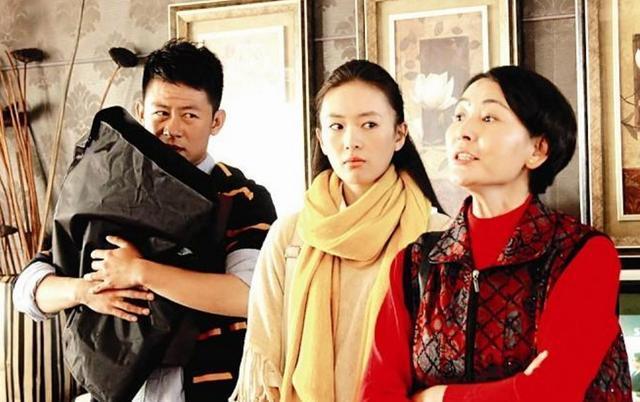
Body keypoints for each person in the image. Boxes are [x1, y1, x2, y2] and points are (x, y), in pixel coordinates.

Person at [13, 39, 277, 402]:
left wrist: (139, 271)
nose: (172, 128)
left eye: (189, 115)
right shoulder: (112, 186)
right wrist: (84, 291)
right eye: (161, 112)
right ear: (140, 111)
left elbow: (247, 296)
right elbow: (28, 288)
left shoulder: (242, 197)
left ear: (216, 121)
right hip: (119, 388)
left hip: (212, 388)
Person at [360, 65, 632, 401]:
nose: (463, 131)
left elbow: (550, 392)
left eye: (489, 118)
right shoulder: (415, 263)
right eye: (459, 115)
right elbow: (377, 394)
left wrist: (435, 397)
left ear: (537, 149)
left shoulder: (582, 253)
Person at [230, 59, 449, 402]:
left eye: (369, 124)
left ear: (399, 134)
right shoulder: (290, 235)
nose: (351, 141)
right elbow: (264, 358)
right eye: (336, 126)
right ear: (320, 137)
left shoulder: (436, 235)